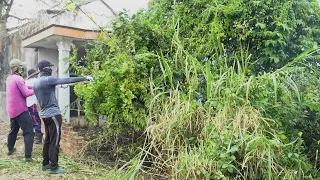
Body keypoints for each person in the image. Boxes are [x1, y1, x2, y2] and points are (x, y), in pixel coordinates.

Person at [33, 60, 93, 174]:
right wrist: (84, 78)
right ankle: (54, 167)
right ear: (46, 69)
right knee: (55, 141)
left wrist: (65, 85)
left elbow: (58, 85)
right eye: (50, 67)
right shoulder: (48, 80)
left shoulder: (37, 83)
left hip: (45, 115)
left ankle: (45, 164)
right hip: (53, 114)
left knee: (48, 139)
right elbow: (66, 79)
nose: (51, 69)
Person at [6, 59, 35, 162]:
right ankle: (28, 156)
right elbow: (26, 93)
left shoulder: (9, 78)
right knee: (29, 132)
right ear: (18, 68)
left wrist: (33, 86)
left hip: (12, 110)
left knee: (13, 130)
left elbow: (24, 87)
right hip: (21, 110)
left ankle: (10, 149)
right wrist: (36, 90)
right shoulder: (19, 79)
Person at [26, 69, 43, 144]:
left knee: (30, 120)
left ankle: (31, 135)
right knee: (36, 119)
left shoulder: (25, 82)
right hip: (32, 103)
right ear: (34, 75)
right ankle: (38, 137)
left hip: (25, 104)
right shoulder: (36, 81)